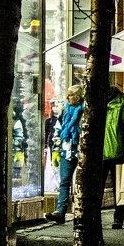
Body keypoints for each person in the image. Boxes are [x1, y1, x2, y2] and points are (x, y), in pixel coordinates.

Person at [45, 85, 84, 224]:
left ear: (78, 96)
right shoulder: (65, 112)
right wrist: (56, 150)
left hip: (81, 151)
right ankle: (60, 211)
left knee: (82, 183)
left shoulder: (85, 112)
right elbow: (58, 131)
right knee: (64, 181)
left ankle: (81, 212)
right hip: (67, 150)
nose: (68, 98)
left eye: (71, 95)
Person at [103, 86, 124, 231]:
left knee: (120, 189)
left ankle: (118, 218)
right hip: (102, 154)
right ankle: (96, 218)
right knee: (98, 188)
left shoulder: (121, 104)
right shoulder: (97, 104)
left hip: (118, 154)